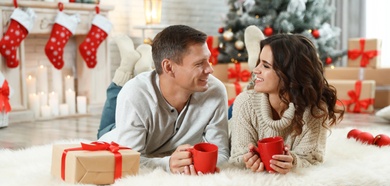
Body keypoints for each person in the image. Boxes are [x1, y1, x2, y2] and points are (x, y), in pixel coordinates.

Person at [98, 25, 230, 175]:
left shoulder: (215, 90)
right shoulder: (134, 94)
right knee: (107, 124)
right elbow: (129, 162)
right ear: (168, 67)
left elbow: (222, 153)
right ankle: (127, 67)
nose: (210, 70)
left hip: (150, 125)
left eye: (208, 60)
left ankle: (144, 67)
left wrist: (197, 164)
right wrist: (168, 164)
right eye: (199, 64)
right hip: (114, 138)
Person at [229, 33, 344, 174]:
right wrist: (248, 160)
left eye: (265, 65)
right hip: (239, 110)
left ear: (289, 73)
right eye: (259, 63)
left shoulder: (315, 110)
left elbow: (312, 160)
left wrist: (293, 161)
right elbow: (236, 157)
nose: (255, 70)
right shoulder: (244, 102)